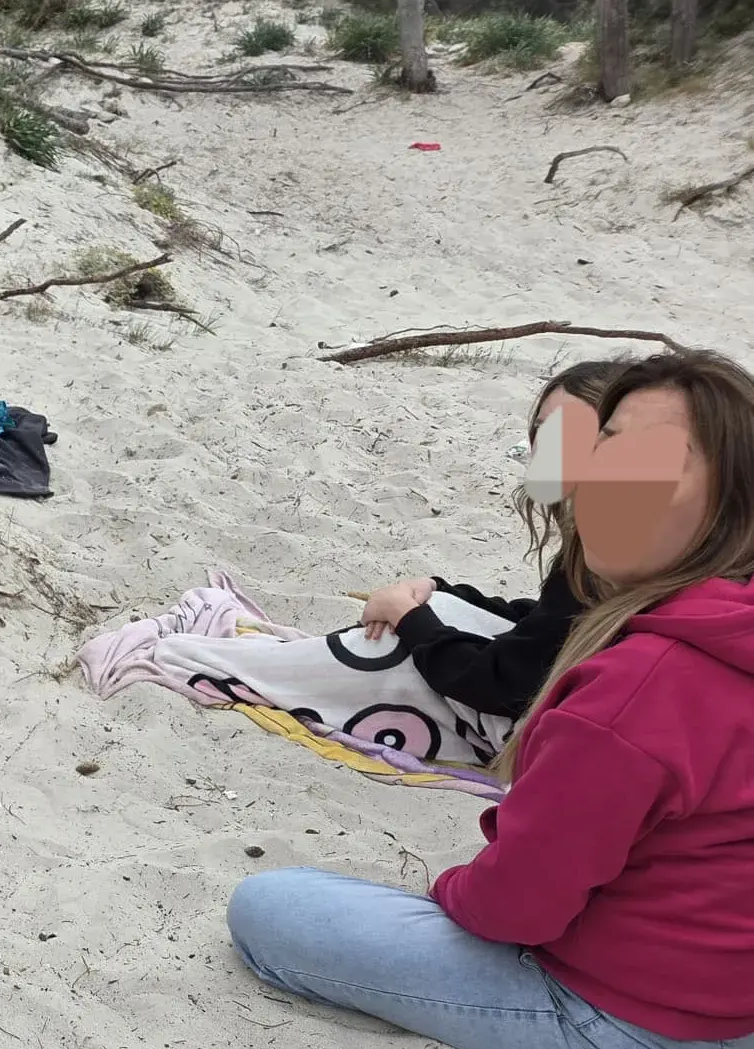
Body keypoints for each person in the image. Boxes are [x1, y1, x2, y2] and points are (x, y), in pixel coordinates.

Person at [228, 348, 754, 1049]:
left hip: (629, 1015)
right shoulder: (710, 627)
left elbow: (516, 909)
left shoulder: (641, 685)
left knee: (272, 907)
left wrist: (454, 890)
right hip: (725, 994)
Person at [356, 358, 629, 721]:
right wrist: (444, 590)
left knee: (383, 652)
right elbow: (551, 623)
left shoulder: (613, 547)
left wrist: (405, 616)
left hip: (566, 722)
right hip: (588, 698)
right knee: (437, 610)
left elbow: (500, 686)